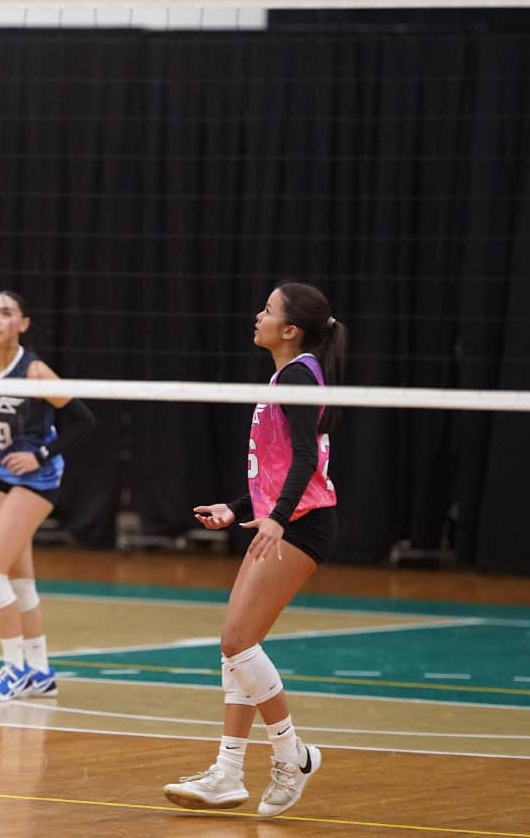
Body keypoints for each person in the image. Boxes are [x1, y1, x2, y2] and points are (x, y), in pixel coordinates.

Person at [163, 281, 345, 818]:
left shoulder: (296, 374)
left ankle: (293, 757)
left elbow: (308, 460)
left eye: (267, 309)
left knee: (237, 640)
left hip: (303, 525)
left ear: (290, 329)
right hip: (288, 519)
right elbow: (281, 465)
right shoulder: (289, 374)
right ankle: (227, 772)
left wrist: (277, 518)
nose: (257, 315)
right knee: (236, 647)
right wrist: (237, 505)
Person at [0, 291, 94, 701]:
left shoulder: (36, 372)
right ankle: (41, 672)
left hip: (38, 481)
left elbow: (83, 421)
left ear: (22, 324)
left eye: (6, 313)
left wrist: (40, 454)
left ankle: (14, 669)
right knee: (18, 581)